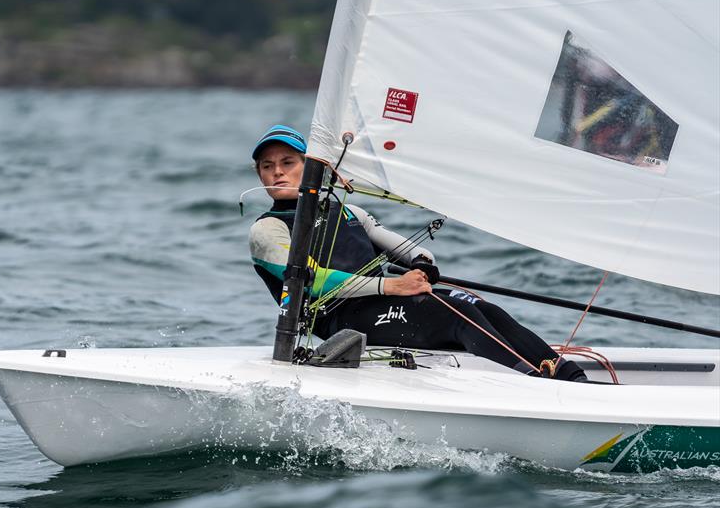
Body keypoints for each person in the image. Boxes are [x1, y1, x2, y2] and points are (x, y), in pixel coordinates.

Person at [248, 125, 587, 382]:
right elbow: (314, 282)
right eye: (267, 166)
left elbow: (412, 250)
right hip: (340, 322)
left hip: (379, 304)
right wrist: (391, 287)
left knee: (483, 308)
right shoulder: (268, 230)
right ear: (259, 173)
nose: (277, 172)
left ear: (310, 166)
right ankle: (532, 383)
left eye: (288, 162)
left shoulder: (349, 213)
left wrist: (422, 265)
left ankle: (569, 376)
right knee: (454, 317)